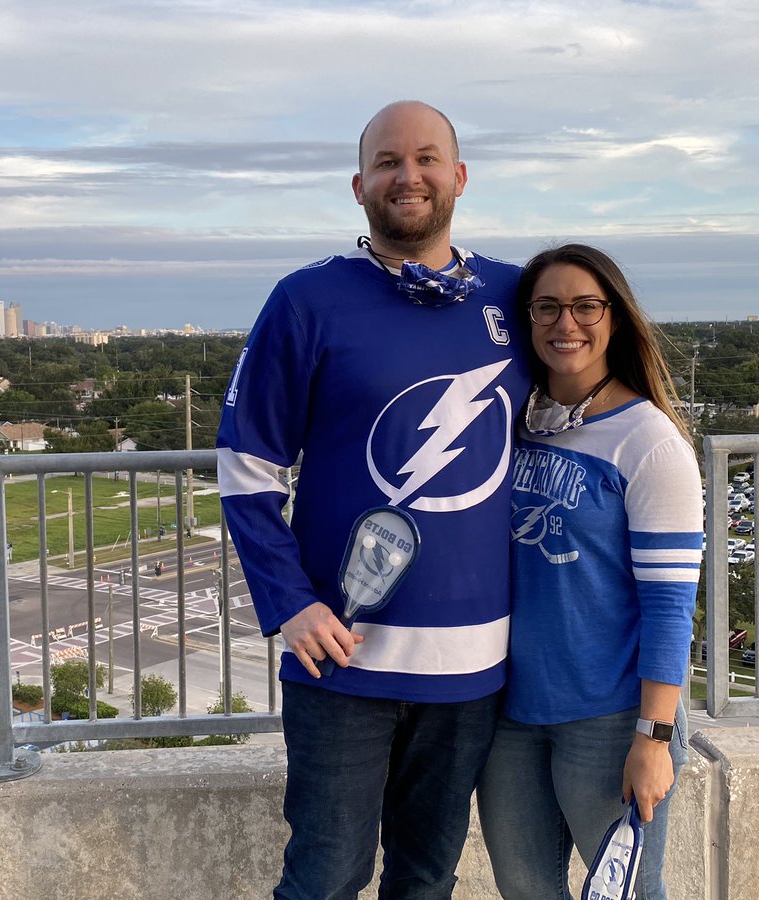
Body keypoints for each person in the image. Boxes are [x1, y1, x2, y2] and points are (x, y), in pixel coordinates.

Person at [217, 100, 530, 899]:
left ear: (459, 177)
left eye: (427, 158)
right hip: (343, 664)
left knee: (426, 878)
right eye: (389, 162)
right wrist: (290, 604)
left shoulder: (518, 297)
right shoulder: (306, 300)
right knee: (326, 878)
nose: (409, 175)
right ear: (360, 185)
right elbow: (247, 469)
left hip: (473, 669)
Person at [476, 244, 702, 898]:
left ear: (614, 317)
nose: (564, 323)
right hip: (513, 716)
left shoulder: (649, 442)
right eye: (546, 306)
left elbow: (669, 609)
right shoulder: (515, 425)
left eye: (584, 306)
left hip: (610, 721)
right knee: (525, 890)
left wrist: (653, 739)